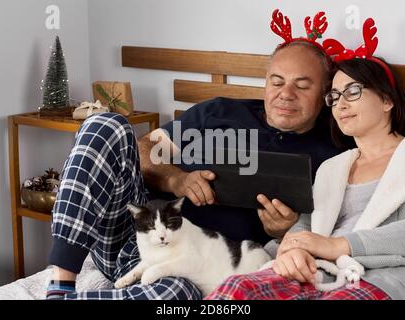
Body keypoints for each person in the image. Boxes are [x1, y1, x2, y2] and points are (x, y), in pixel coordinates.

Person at [45, 11, 348, 300]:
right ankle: (60, 284)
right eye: (277, 81)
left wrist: (286, 232)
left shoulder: (335, 151)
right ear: (266, 82)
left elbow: (334, 233)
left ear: (325, 92)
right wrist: (176, 179)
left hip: (185, 268)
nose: (286, 93)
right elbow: (144, 149)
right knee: (105, 125)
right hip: (128, 234)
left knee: (176, 296)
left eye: (303, 85)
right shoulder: (219, 112)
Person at [205, 23, 405, 300]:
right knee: (236, 289)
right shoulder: (334, 167)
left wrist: (338, 245)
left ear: (386, 100)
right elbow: (308, 222)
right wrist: (294, 247)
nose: (341, 104)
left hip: (383, 275)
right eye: (334, 97)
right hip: (318, 269)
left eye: (353, 92)